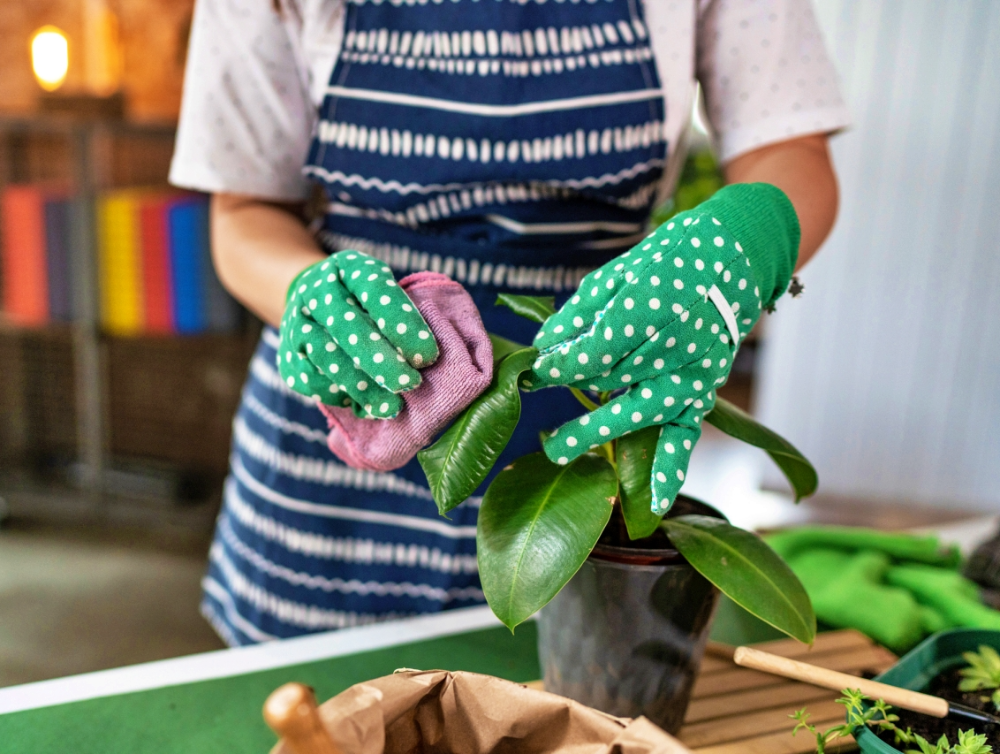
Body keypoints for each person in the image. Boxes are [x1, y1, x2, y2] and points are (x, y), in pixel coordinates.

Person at [169, 0, 848, 646]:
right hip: (349, 412)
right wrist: (304, 295)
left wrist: (745, 239)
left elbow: (788, 151)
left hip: (592, 427)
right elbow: (243, 211)